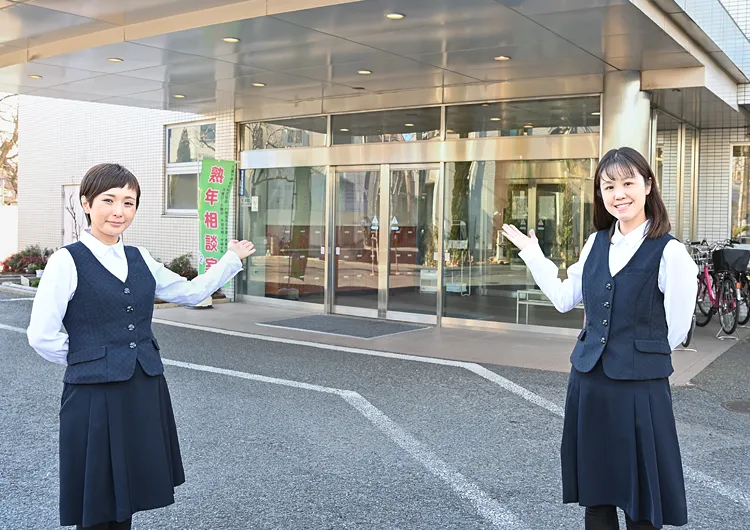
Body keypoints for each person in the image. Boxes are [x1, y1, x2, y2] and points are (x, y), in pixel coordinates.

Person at [27, 163, 256, 530]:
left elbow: (190, 292)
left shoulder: (140, 257)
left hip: (142, 386)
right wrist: (89, 359)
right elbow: (41, 334)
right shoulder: (65, 261)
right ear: (86, 204)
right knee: (97, 496)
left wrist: (230, 260)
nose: (119, 211)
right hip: (93, 392)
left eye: (129, 202)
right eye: (108, 200)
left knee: (128, 490)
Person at [502, 147, 697, 530]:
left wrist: (638, 354)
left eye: (627, 183)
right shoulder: (595, 243)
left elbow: (674, 330)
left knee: (641, 506)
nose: (618, 194)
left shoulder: (670, 252)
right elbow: (564, 299)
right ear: (600, 193)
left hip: (640, 388)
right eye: (609, 186)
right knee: (597, 498)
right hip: (590, 382)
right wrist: (533, 254)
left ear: (647, 186)